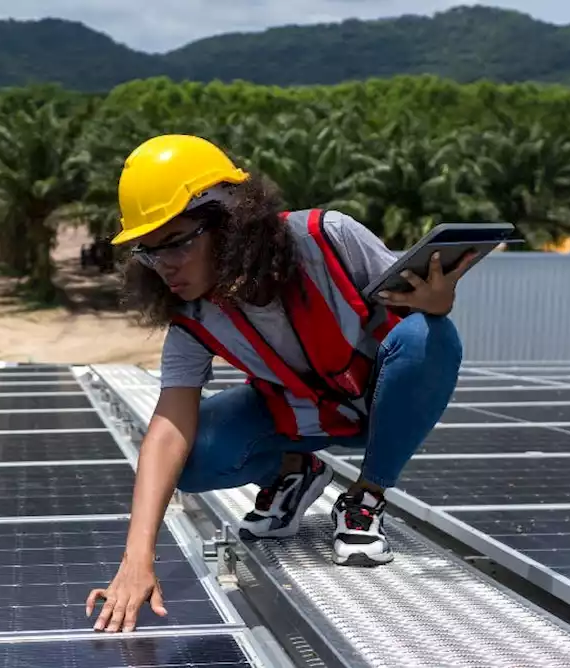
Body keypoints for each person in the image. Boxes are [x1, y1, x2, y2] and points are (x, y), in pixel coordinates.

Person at [86, 134, 470, 633]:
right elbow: (168, 425)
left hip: (379, 406)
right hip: (302, 415)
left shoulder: (328, 239)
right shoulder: (192, 317)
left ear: (230, 224)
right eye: (150, 252)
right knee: (192, 459)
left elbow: (419, 328)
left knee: (428, 335)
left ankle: (366, 497)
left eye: (178, 242)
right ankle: (295, 469)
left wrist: (439, 304)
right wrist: (137, 558)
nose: (167, 266)